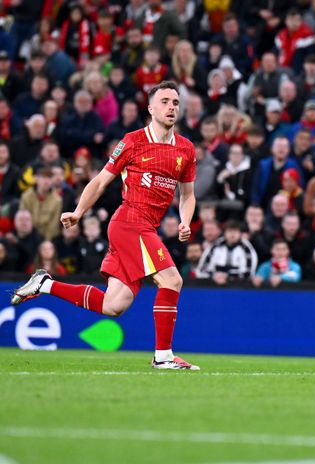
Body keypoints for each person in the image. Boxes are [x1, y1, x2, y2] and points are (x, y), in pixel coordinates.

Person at [11, 81, 200, 370]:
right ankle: (163, 356)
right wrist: (78, 211)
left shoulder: (186, 149)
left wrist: (185, 221)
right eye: (164, 101)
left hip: (146, 227)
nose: (171, 107)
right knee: (172, 280)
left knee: (114, 305)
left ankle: (45, 284)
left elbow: (187, 195)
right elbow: (100, 180)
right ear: (150, 108)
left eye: (175, 102)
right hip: (129, 223)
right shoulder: (133, 141)